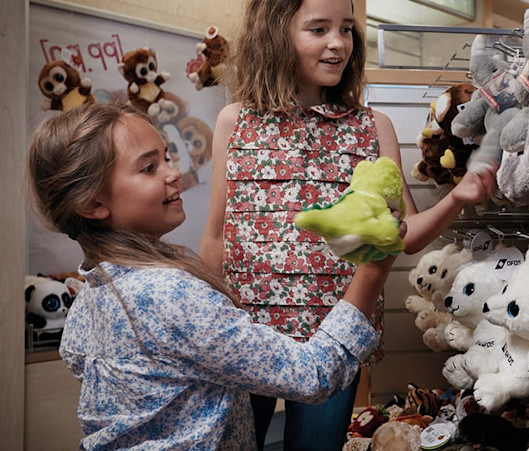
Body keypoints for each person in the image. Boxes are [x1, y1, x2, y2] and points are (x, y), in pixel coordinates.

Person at [197, 0, 499, 449]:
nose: (338, 43)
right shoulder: (234, 121)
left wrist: (457, 198)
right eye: (318, 29)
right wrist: (206, 328)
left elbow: (407, 234)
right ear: (277, 31)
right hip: (245, 337)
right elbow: (216, 235)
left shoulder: (371, 127)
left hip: (334, 336)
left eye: (346, 28)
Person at [27, 102, 398, 449]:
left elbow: (74, 354)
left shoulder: (90, 297)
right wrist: (373, 266)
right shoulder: (171, 295)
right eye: (148, 167)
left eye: (168, 157)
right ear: (92, 203)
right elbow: (312, 375)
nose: (174, 173)